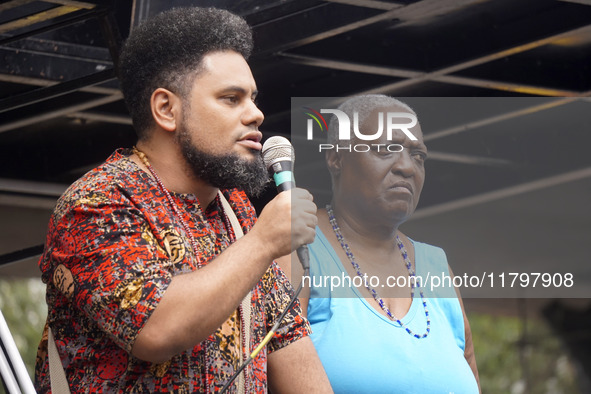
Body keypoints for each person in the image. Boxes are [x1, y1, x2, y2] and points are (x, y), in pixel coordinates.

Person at [34, 7, 332, 393]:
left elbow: (290, 346)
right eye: (231, 98)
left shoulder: (238, 213)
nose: (256, 114)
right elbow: (154, 329)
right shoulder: (98, 201)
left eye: (253, 99)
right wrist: (262, 243)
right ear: (166, 109)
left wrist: (261, 241)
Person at [286, 95, 480, 392]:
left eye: (418, 156)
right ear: (336, 157)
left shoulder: (437, 267)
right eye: (386, 149)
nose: (407, 167)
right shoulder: (297, 250)